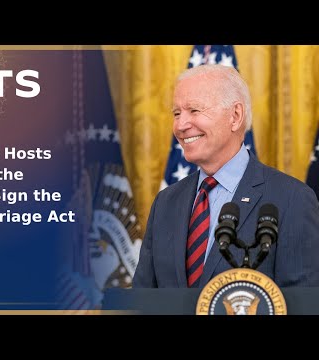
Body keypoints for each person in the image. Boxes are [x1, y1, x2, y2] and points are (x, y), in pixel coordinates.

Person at [133, 64, 319, 289]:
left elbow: (303, 303)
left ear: (235, 116)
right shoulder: (165, 202)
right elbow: (142, 300)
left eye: (194, 110)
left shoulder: (292, 200)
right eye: (176, 113)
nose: (181, 125)